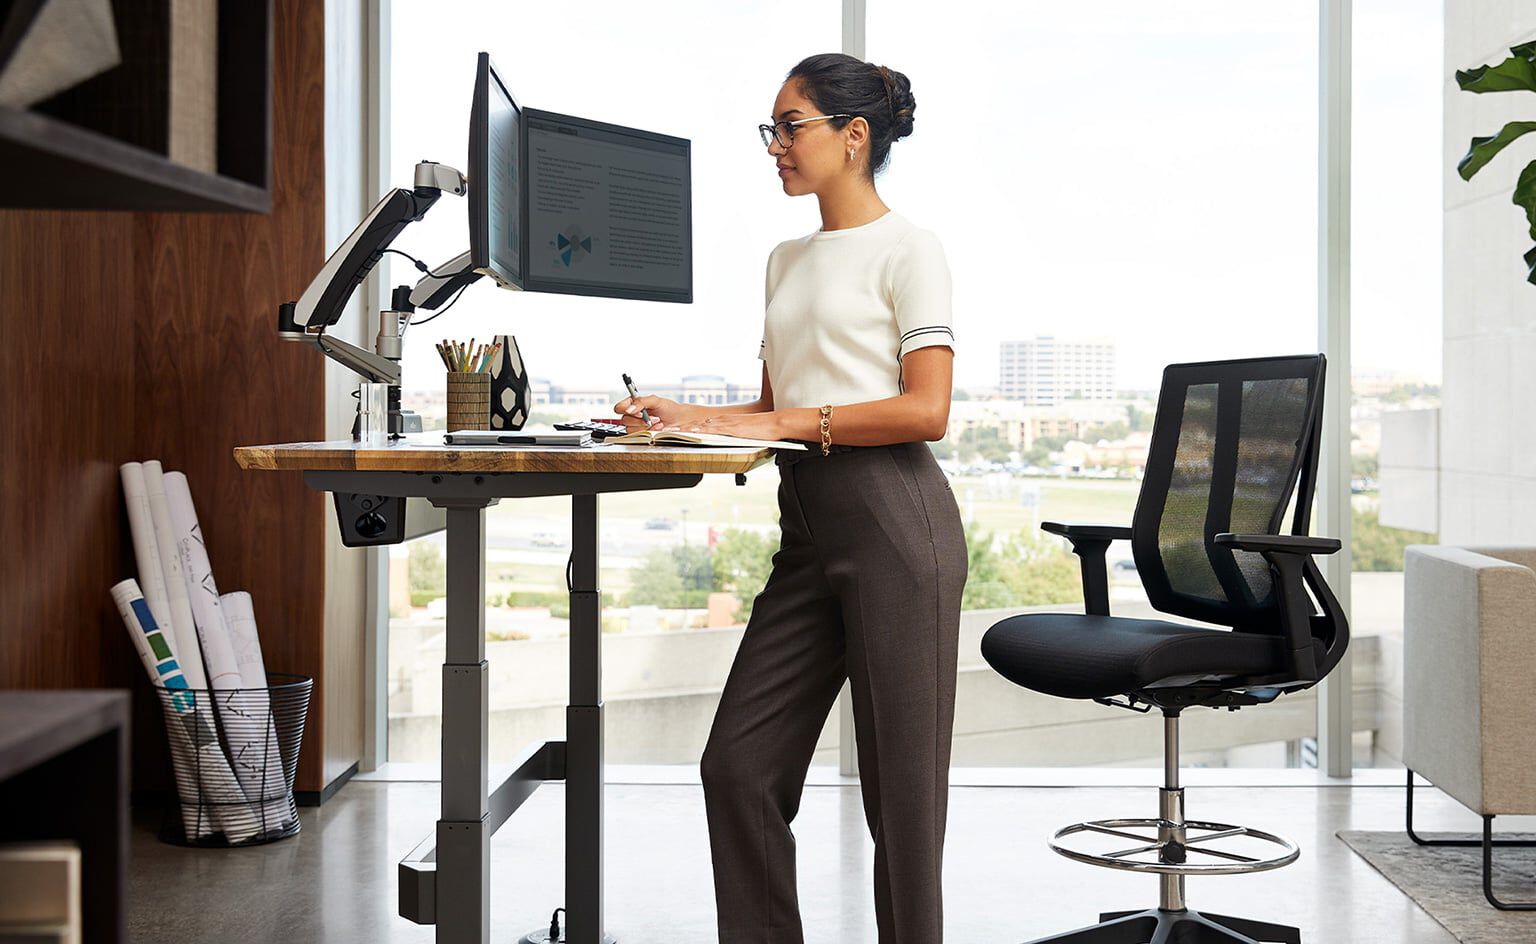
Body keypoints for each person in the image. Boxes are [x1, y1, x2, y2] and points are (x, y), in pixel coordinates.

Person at [612, 52, 967, 943]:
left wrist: (794, 423)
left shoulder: (910, 251)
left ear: (854, 138)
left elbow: (926, 409)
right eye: (770, 128)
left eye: (789, 126)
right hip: (808, 532)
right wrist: (679, 414)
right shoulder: (784, 260)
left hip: (898, 525)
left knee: (904, 811)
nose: (774, 145)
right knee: (738, 769)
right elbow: (773, 412)